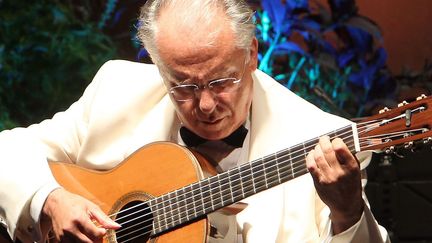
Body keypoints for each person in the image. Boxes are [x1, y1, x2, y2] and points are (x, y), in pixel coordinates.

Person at [0, 0, 390, 242]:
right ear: (157, 67)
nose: (204, 105)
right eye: (182, 85)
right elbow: (7, 151)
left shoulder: (320, 136)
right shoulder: (116, 90)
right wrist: (48, 200)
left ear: (251, 53)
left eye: (221, 81)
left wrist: (348, 212)